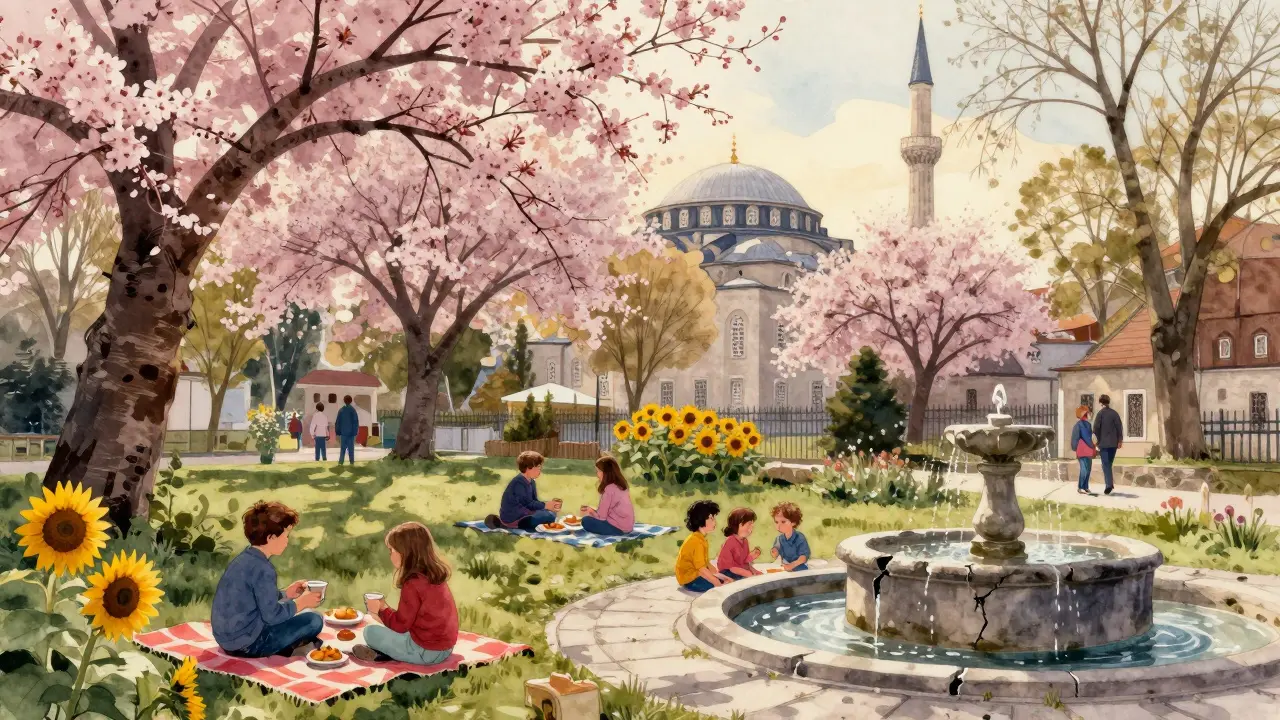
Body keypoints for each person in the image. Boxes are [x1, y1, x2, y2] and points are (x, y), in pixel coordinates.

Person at [211, 502, 324, 657]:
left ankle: (290, 645)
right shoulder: (264, 569)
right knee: (314, 619)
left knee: (299, 618)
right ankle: (289, 648)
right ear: (271, 537)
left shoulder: (243, 560)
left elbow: (255, 598)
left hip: (226, 640)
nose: (287, 541)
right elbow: (272, 616)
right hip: (249, 644)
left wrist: (286, 595)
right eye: (285, 536)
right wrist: (301, 603)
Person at [355, 522, 458, 666]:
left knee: (370, 632)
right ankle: (392, 653)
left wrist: (381, 610)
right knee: (389, 632)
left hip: (425, 652)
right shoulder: (434, 576)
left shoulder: (413, 583)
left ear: (405, 553)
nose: (390, 555)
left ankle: (385, 655)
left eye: (392, 550)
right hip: (446, 648)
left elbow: (400, 625)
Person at [486, 451, 562, 530]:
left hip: (525, 513)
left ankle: (533, 521)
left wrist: (548, 506)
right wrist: (545, 505)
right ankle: (510, 525)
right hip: (514, 516)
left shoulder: (531, 481)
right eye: (538, 467)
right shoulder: (519, 483)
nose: (540, 470)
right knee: (548, 516)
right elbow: (528, 504)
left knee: (551, 514)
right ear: (528, 468)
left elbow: (534, 501)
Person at [675, 500, 733, 592]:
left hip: (696, 575)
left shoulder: (701, 539)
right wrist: (718, 583)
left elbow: (707, 565)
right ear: (700, 519)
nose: (714, 522)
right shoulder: (696, 541)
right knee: (722, 586)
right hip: (690, 580)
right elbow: (702, 569)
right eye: (711, 518)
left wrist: (723, 577)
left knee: (727, 580)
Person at [579, 456, 635, 536]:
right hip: (628, 527)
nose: (597, 474)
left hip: (618, 529)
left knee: (585, 521)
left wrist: (590, 511)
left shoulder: (609, 489)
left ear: (605, 473)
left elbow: (601, 517)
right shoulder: (621, 486)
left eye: (598, 471)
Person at [716, 507, 762, 580]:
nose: (752, 527)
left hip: (738, 569)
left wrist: (754, 570)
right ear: (740, 525)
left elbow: (744, 563)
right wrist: (747, 573)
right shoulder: (730, 541)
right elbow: (730, 567)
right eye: (749, 524)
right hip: (727, 571)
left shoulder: (745, 541)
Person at [1093, 394, 1124, 495]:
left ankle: (1109, 485)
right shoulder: (1114, 414)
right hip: (1113, 444)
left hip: (1104, 444)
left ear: (1100, 403)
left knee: (1106, 464)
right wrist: (1120, 440)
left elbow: (1096, 429)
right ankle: (1110, 483)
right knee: (1109, 464)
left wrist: (1096, 442)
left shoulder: (1100, 414)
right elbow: (1119, 428)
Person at [770, 502, 810, 571]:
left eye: (783, 522)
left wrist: (792, 565)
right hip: (785, 567)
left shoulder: (799, 537)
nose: (778, 526)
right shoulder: (779, 539)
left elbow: (803, 557)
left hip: (799, 567)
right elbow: (775, 552)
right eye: (776, 522)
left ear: (793, 522)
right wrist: (774, 552)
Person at [1070, 405, 1097, 496]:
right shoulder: (1080, 425)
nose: (1090, 414)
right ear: (1084, 414)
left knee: (1088, 469)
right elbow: (1086, 438)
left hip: (1087, 450)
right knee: (1084, 469)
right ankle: (1081, 487)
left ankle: (1085, 486)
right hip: (1083, 450)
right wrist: (1093, 446)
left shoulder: (1087, 424)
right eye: (1088, 412)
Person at [335, 395, 360, 466]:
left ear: (344, 401)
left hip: (343, 433)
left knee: (342, 449)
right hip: (351, 433)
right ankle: (351, 462)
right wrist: (355, 432)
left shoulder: (341, 410)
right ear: (351, 401)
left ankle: (341, 462)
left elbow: (338, 422)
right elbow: (356, 422)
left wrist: (337, 432)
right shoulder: (353, 410)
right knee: (351, 449)